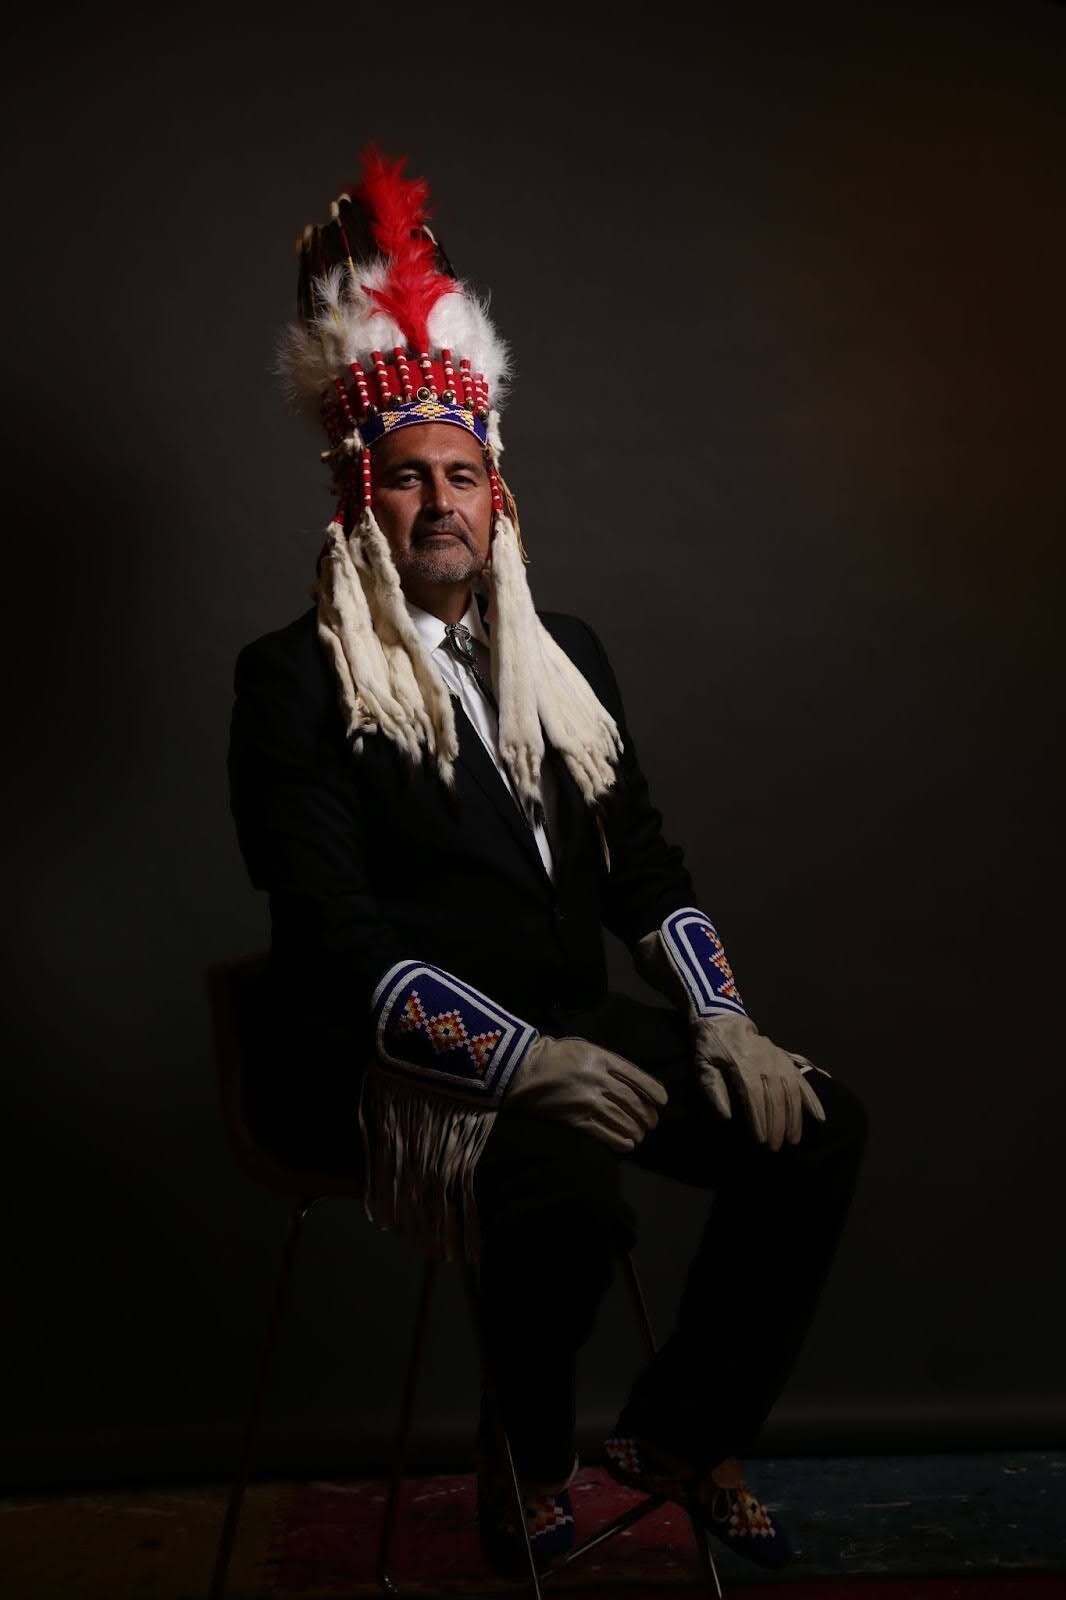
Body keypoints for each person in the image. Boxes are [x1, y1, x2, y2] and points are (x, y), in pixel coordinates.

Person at [228, 147, 868, 1578]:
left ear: (497, 498)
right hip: (416, 1058)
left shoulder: (562, 660)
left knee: (818, 1130)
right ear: (357, 503)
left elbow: (639, 862)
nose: (439, 500)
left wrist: (719, 1015)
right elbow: (328, 937)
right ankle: (523, 1455)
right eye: (406, 480)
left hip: (577, 1021)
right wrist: (516, 1065)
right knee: (568, 1202)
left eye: (463, 473)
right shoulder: (291, 681)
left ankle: (676, 1433)